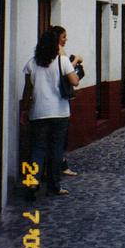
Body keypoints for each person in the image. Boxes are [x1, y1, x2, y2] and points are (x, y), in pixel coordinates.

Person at [20, 29, 80, 199]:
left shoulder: (32, 63)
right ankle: (54, 186)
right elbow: (74, 81)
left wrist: (25, 110)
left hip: (38, 112)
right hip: (59, 112)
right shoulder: (63, 61)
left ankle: (32, 183)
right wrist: (75, 64)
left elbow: (27, 91)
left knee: (37, 149)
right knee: (56, 150)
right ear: (55, 44)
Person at [50, 25, 84, 177]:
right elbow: (69, 74)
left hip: (47, 104)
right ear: (57, 37)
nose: (66, 39)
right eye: (63, 36)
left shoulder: (43, 53)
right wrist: (76, 60)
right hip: (59, 100)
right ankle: (60, 168)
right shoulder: (59, 51)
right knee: (60, 138)